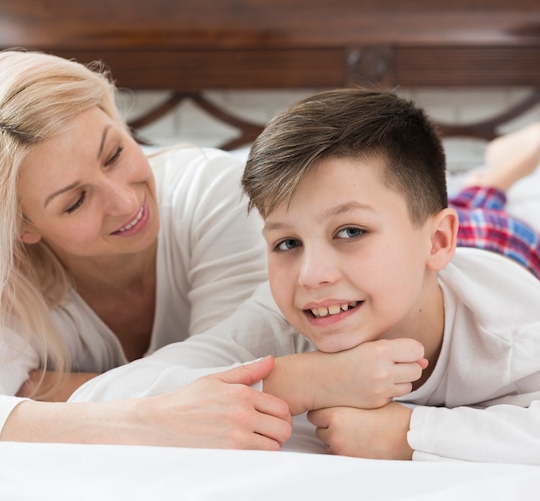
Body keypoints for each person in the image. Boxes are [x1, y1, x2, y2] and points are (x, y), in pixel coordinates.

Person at [0, 50, 421, 446]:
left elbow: (237, 370)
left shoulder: (214, 192)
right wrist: (137, 420)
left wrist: (44, 389)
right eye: (75, 201)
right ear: (23, 227)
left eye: (114, 153)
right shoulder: (7, 282)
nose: (125, 199)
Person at [72, 90, 540, 464]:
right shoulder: (274, 317)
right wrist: (306, 380)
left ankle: (499, 174)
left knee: (488, 215)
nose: (311, 277)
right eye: (286, 243)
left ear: (437, 243)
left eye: (351, 231)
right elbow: (97, 401)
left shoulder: (512, 321)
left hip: (501, 246)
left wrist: (409, 434)